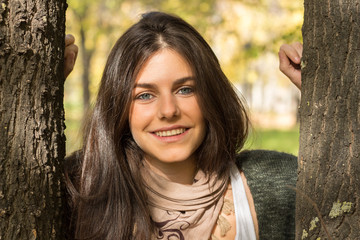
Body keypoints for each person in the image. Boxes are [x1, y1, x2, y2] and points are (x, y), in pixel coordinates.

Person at [63, 11, 303, 240]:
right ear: (120, 108)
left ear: (210, 95)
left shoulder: (279, 183)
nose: (168, 111)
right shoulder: (79, 187)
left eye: (185, 89)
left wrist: (320, 89)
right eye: (145, 95)